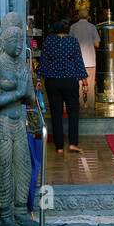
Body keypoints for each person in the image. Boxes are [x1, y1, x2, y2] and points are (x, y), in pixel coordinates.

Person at [38, 20, 88, 154]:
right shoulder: (72, 41)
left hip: (52, 81)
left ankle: (59, 146)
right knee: (73, 111)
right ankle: (72, 143)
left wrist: (39, 78)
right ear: (68, 29)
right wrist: (84, 81)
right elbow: (78, 61)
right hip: (69, 80)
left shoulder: (49, 41)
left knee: (56, 113)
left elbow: (43, 61)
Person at [70, 11, 101, 111]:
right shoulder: (92, 27)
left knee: (78, 85)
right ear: (88, 16)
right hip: (90, 60)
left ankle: (79, 106)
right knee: (91, 85)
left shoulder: (73, 27)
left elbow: (69, 43)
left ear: (78, 16)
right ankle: (91, 107)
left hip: (77, 61)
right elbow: (97, 44)